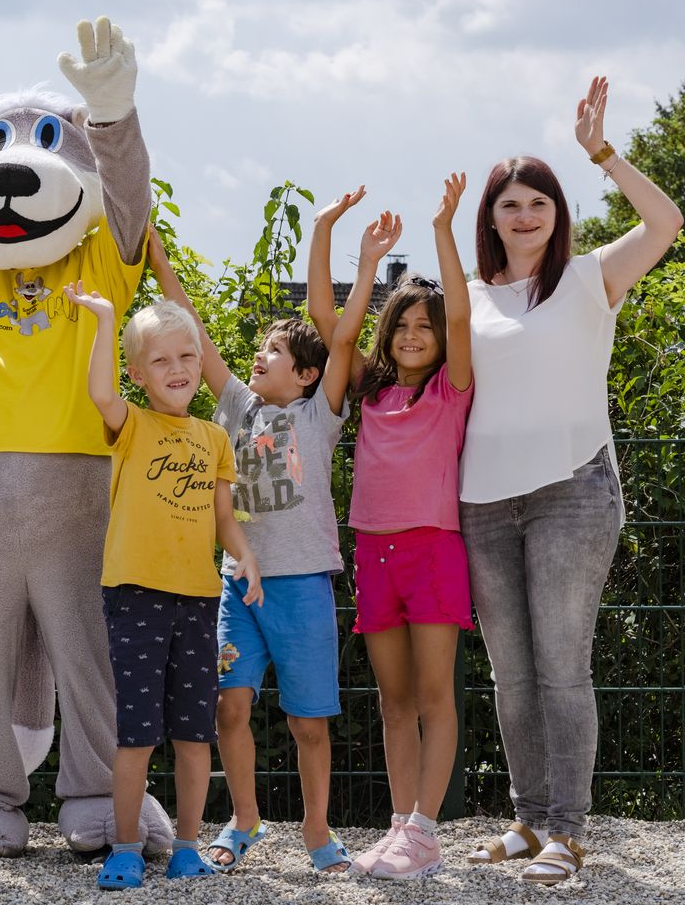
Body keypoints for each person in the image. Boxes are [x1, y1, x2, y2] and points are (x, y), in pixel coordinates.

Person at [461, 77, 683, 886]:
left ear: (557, 213)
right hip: (482, 500)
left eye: (538, 203)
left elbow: (667, 222)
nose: (523, 216)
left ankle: (568, 830)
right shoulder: (474, 298)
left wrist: (604, 154)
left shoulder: (592, 276)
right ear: (490, 217)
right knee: (510, 672)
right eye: (509, 204)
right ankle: (527, 817)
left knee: (561, 664)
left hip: (573, 491)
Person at [148, 228, 354, 873]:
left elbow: (344, 338)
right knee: (228, 706)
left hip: (301, 587)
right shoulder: (235, 404)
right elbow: (191, 328)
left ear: (308, 374)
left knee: (308, 721)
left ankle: (317, 832)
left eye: (275, 351)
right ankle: (245, 821)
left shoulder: (322, 413)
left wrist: (347, 246)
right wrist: (158, 258)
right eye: (260, 348)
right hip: (238, 584)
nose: (260, 357)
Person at [63, 282, 261, 891]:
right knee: (138, 732)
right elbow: (99, 392)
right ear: (139, 373)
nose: (177, 369)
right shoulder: (132, 425)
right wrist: (103, 318)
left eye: (187, 356)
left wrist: (246, 557)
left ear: (201, 363)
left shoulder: (215, 438)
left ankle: (188, 845)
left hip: (200, 599)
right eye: (161, 360)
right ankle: (125, 849)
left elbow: (224, 518)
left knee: (194, 731)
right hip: (136, 596)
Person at [308, 175, 475, 880]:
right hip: (373, 552)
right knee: (392, 700)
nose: (413, 335)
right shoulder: (370, 387)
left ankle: (428, 831)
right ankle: (403, 826)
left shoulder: (453, 386)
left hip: (434, 551)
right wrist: (340, 242)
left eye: (424, 327)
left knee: (436, 698)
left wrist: (442, 229)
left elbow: (462, 317)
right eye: (402, 324)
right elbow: (326, 321)